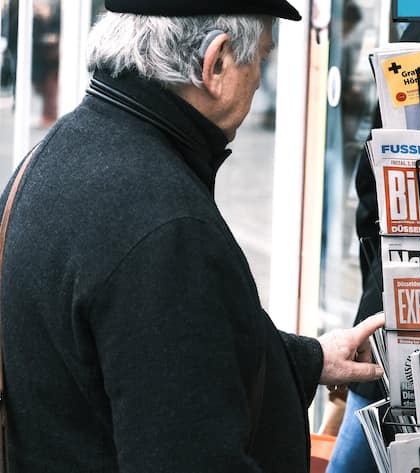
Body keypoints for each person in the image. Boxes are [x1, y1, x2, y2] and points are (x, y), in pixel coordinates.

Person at [0, 2, 384, 472]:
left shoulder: (56, 155)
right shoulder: (165, 227)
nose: (259, 81)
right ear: (216, 63)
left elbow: (163, 356)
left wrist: (313, 359)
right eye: (261, 58)